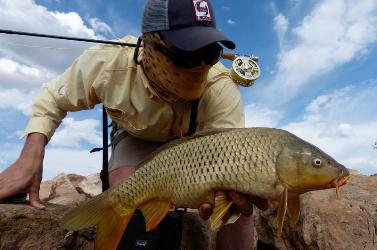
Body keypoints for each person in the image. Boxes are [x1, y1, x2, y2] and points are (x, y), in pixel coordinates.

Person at [0, 0, 267, 249]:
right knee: (128, 187)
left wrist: (226, 194)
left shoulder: (220, 86)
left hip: (197, 148)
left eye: (209, 53)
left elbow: (229, 154)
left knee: (238, 207)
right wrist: (30, 158)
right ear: (150, 45)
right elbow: (53, 98)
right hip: (136, 137)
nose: (199, 66)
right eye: (186, 53)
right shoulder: (107, 63)